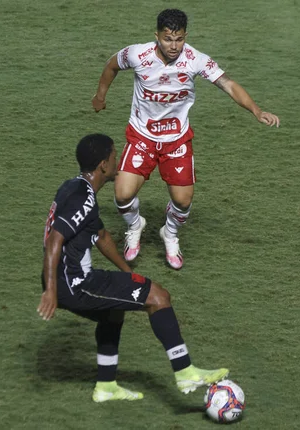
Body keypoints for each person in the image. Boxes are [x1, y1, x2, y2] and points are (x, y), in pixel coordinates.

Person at [38, 133, 229, 402]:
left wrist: (126, 272)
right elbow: (54, 241)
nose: (118, 160)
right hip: (73, 284)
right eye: (115, 155)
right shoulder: (83, 198)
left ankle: (106, 387)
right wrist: (51, 291)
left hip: (70, 280)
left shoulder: (75, 188)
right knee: (158, 297)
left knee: (113, 311)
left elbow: (102, 237)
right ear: (104, 165)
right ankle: (185, 370)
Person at [92, 9, 280, 270]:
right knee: (122, 196)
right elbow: (112, 65)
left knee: (182, 201)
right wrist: (101, 96)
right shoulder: (137, 54)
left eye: (179, 39)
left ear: (185, 36)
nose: (174, 45)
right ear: (156, 36)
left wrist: (257, 110)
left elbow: (228, 84)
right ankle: (135, 226)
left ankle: (169, 233)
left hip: (176, 141)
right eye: (168, 39)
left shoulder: (195, 60)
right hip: (142, 136)